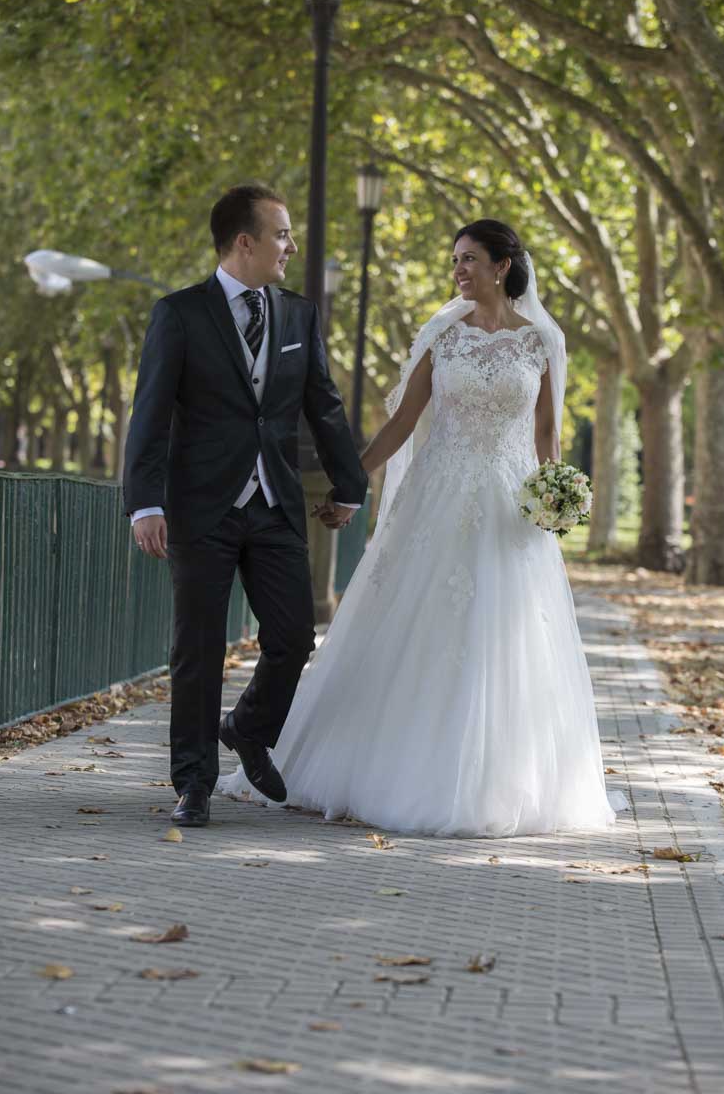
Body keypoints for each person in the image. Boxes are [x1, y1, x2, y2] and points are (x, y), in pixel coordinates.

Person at [218, 220, 627, 836]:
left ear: (502, 266)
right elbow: (404, 422)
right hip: (437, 497)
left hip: (510, 508)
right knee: (416, 623)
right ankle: (374, 767)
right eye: (455, 259)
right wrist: (352, 481)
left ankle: (493, 782)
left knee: (501, 633)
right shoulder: (443, 335)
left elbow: (547, 434)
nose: (458, 270)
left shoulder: (542, 340)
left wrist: (557, 493)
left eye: (470, 259)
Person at [123, 184, 367, 828]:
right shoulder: (179, 314)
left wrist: (349, 485)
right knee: (199, 650)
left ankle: (248, 727)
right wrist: (144, 503)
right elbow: (150, 414)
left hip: (274, 503)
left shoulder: (298, 315)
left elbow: (323, 404)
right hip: (201, 507)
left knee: (293, 637)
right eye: (281, 234)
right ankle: (193, 782)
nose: (291, 246)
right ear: (244, 242)